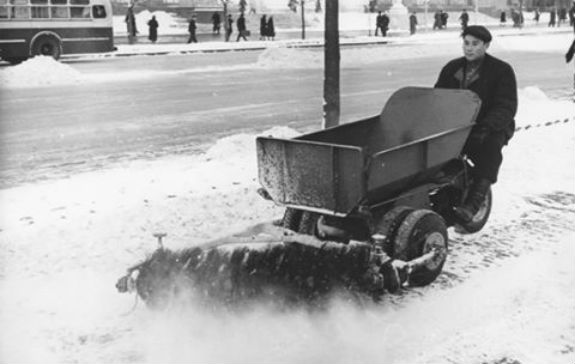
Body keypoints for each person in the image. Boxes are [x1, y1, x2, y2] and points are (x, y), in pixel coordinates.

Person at [434, 26, 517, 223]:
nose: (469, 48)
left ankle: (473, 203)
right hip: (458, 125)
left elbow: (506, 105)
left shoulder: (501, 70)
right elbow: (438, 97)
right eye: (466, 43)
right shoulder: (452, 68)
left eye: (475, 44)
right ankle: (442, 195)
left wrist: (487, 126)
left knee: (490, 150)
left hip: (490, 125)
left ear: (486, 45)